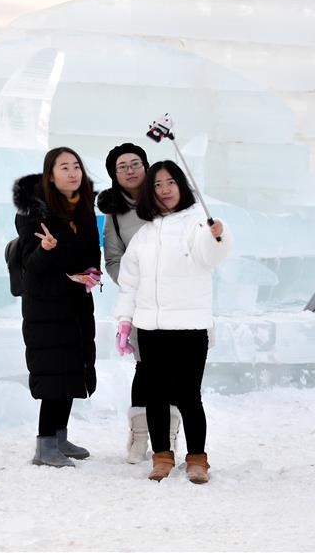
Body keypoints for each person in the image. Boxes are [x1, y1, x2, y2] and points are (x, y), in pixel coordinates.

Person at [113, 160, 232, 483]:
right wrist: (125, 320)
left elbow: (211, 255)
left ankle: (197, 459)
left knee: (189, 395)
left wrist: (217, 234)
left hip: (190, 327)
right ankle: (161, 456)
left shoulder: (197, 225)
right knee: (155, 396)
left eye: (170, 183)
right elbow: (130, 282)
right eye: (157, 185)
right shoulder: (144, 234)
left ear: (182, 185)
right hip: (150, 328)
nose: (165, 190)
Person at [12, 147, 102, 468]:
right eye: (64, 167)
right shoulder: (34, 213)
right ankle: (44, 446)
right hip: (46, 308)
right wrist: (46, 249)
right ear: (51, 175)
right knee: (53, 375)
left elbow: (92, 253)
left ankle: (60, 437)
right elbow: (30, 267)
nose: (72, 172)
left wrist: (92, 275)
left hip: (76, 301)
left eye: (76, 165)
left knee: (71, 370)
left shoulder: (85, 210)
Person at [97, 143, 182, 465]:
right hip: (141, 301)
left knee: (175, 367)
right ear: (115, 175)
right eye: (122, 166)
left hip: (177, 298)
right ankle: (139, 435)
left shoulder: (167, 200)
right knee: (146, 367)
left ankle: (171, 433)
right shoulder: (115, 215)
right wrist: (135, 284)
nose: (130, 170)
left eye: (136, 163)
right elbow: (113, 258)